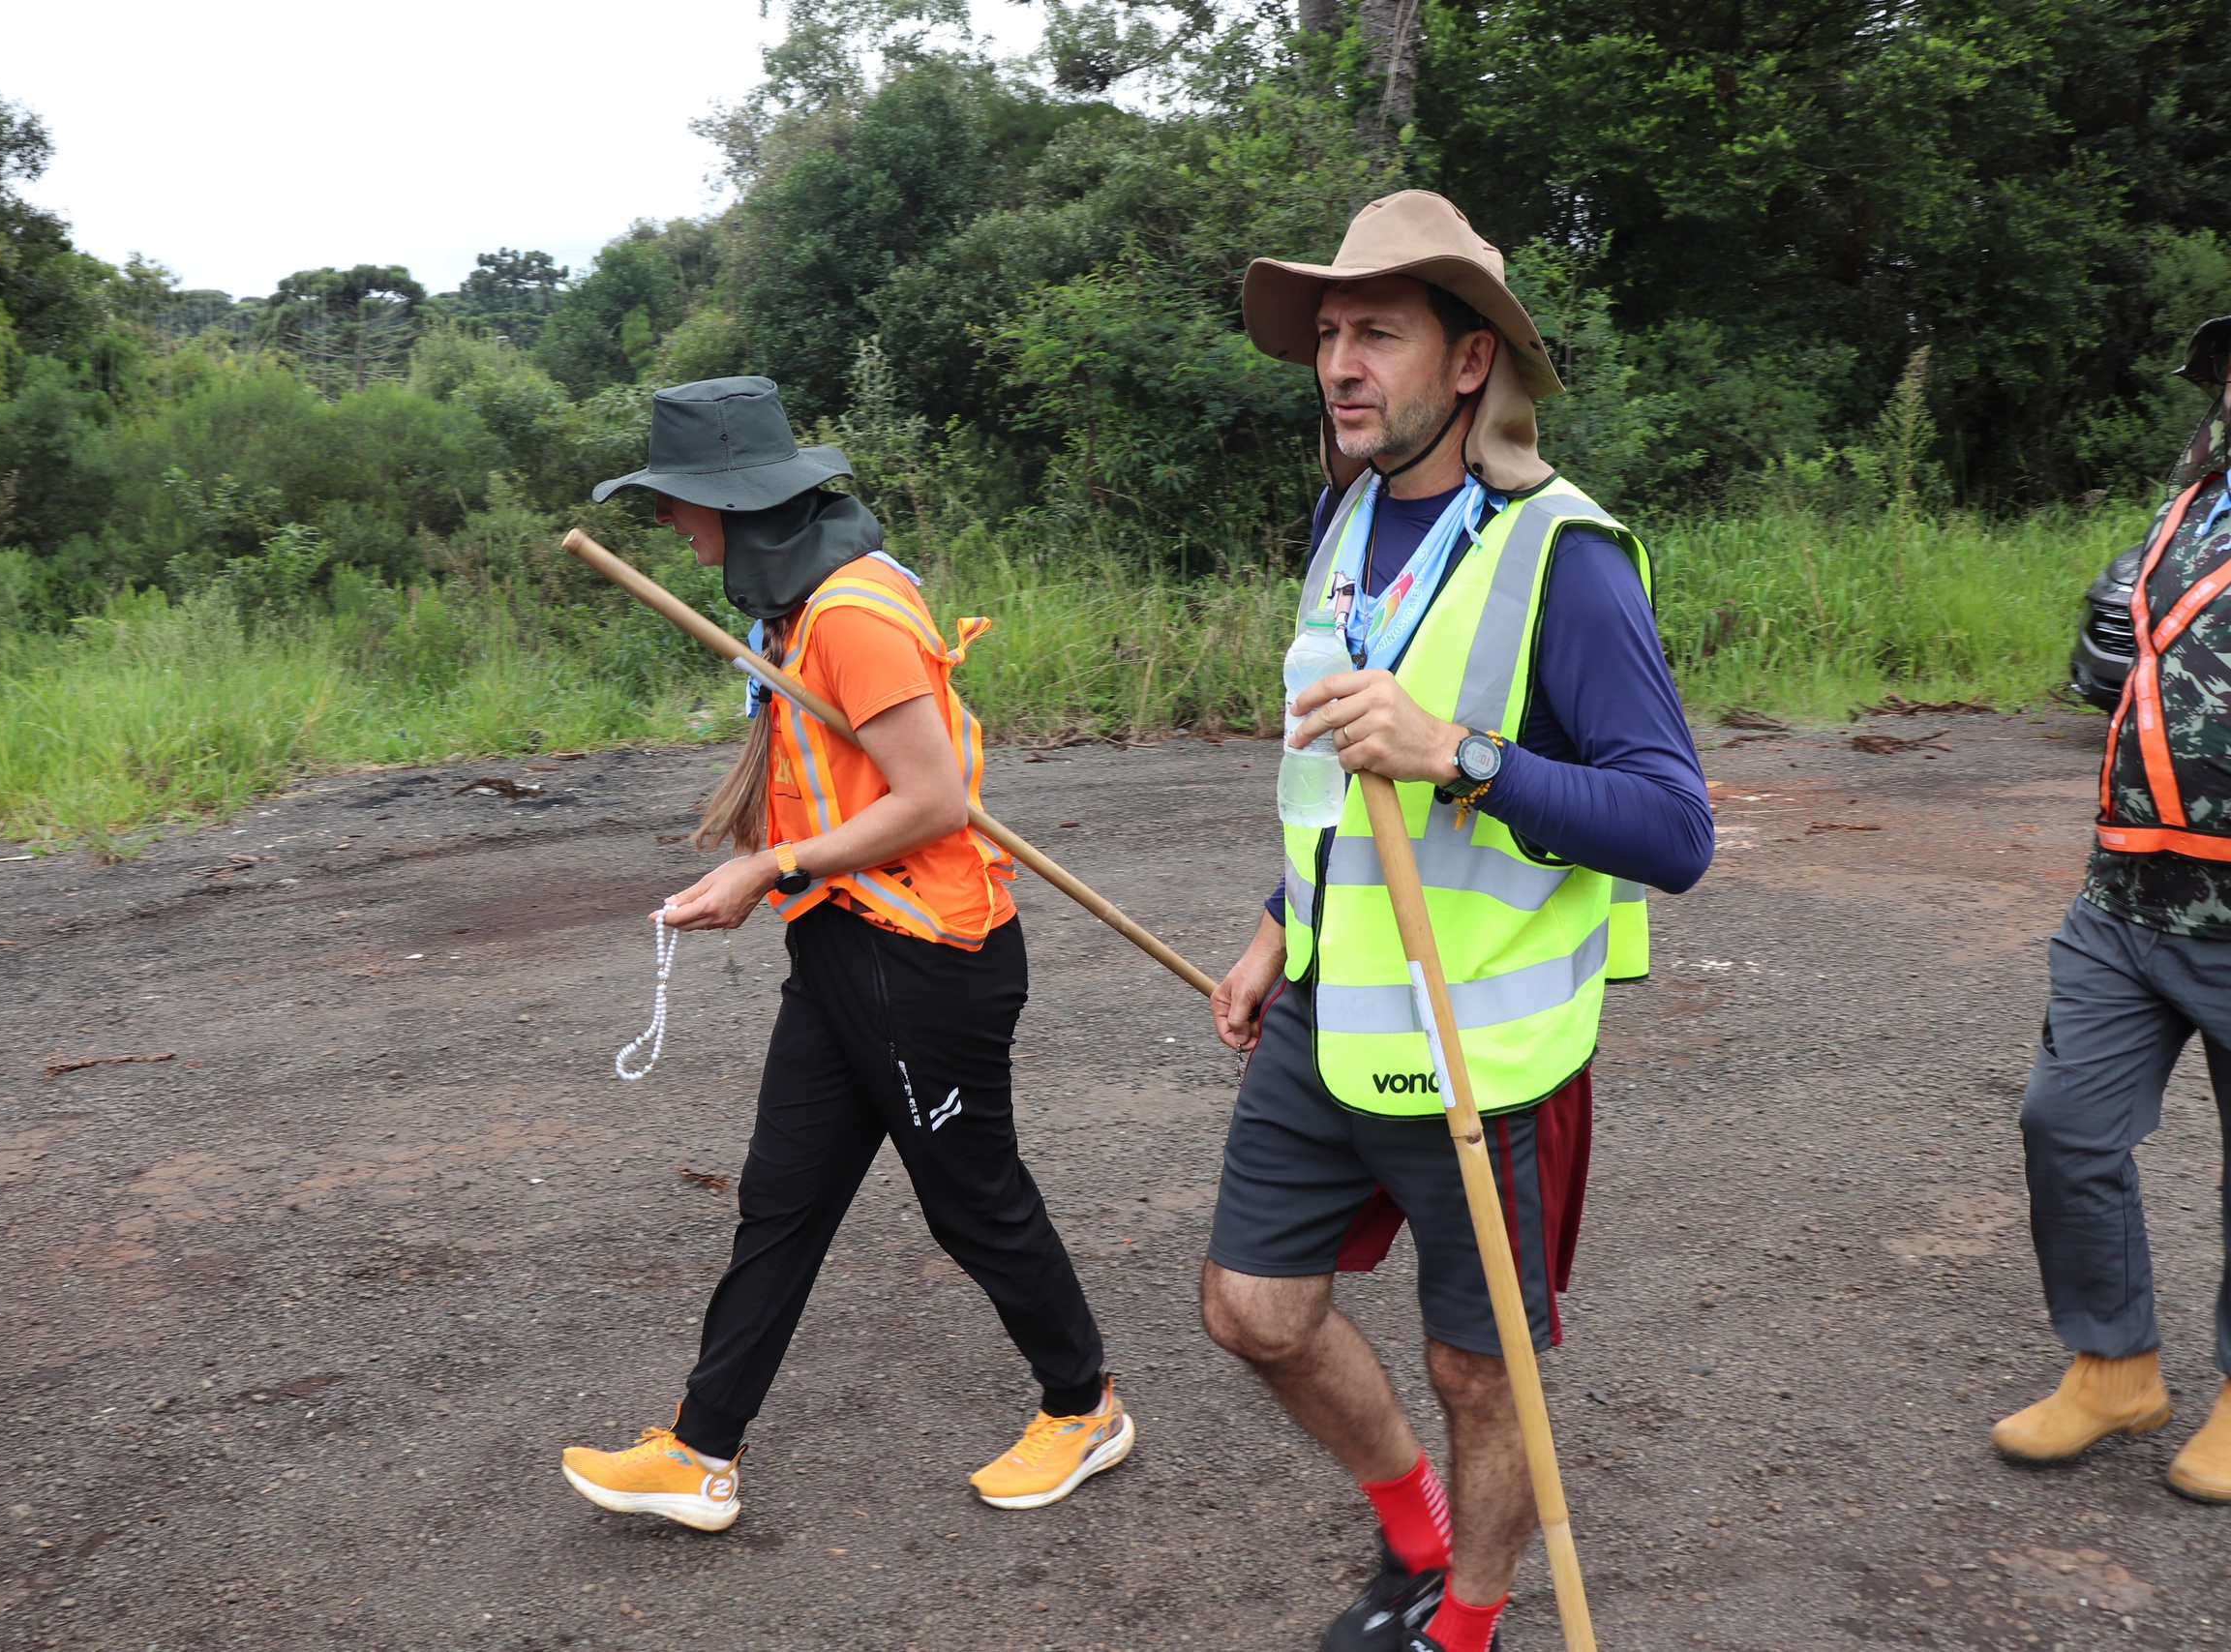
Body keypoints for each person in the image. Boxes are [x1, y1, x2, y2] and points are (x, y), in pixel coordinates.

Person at [1199, 193, 1712, 1652]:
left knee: (1479, 1373)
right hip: (1331, 1005)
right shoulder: (1345, 515)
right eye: (1328, 335)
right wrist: (1278, 921)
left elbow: (1675, 830)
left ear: (1472, 359)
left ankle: (1463, 1627)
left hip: (1488, 1050)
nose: (1338, 365)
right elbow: (1332, 772)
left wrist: (1468, 758)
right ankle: (1416, 1537)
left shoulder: (1569, 556)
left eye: (1377, 332)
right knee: (1253, 1311)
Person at [558, 376, 1129, 1533]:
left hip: (925, 954)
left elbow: (932, 799)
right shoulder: (794, 605)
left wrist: (770, 868)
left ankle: (1084, 1408)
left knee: (972, 1200)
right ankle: (700, 1451)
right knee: (781, 1198)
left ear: (735, 503)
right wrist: (767, 870)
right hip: (840, 941)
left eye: (676, 499)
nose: (665, 521)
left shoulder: (853, 614)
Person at [1991, 317, 2231, 1504]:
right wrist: (2109, 658)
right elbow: (2137, 660)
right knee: (2065, 1126)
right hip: (2126, 895)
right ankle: (2114, 1366)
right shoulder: (2189, 506)